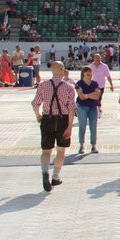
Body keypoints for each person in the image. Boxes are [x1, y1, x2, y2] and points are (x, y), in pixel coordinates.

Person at [31, 61, 76, 192]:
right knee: (61, 150)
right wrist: (70, 126)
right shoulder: (68, 87)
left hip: (47, 119)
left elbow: (35, 103)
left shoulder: (43, 85)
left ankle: (45, 172)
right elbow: (72, 108)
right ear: (62, 70)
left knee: (46, 151)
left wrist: (37, 115)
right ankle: (55, 176)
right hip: (62, 120)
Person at [74, 66, 101, 154]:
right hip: (82, 107)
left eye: (90, 71)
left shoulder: (95, 83)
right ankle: (81, 145)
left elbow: (97, 96)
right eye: (87, 71)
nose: (89, 73)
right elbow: (81, 97)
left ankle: (93, 146)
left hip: (93, 107)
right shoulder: (79, 83)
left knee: (93, 126)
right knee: (82, 126)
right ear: (83, 73)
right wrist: (91, 94)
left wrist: (86, 95)